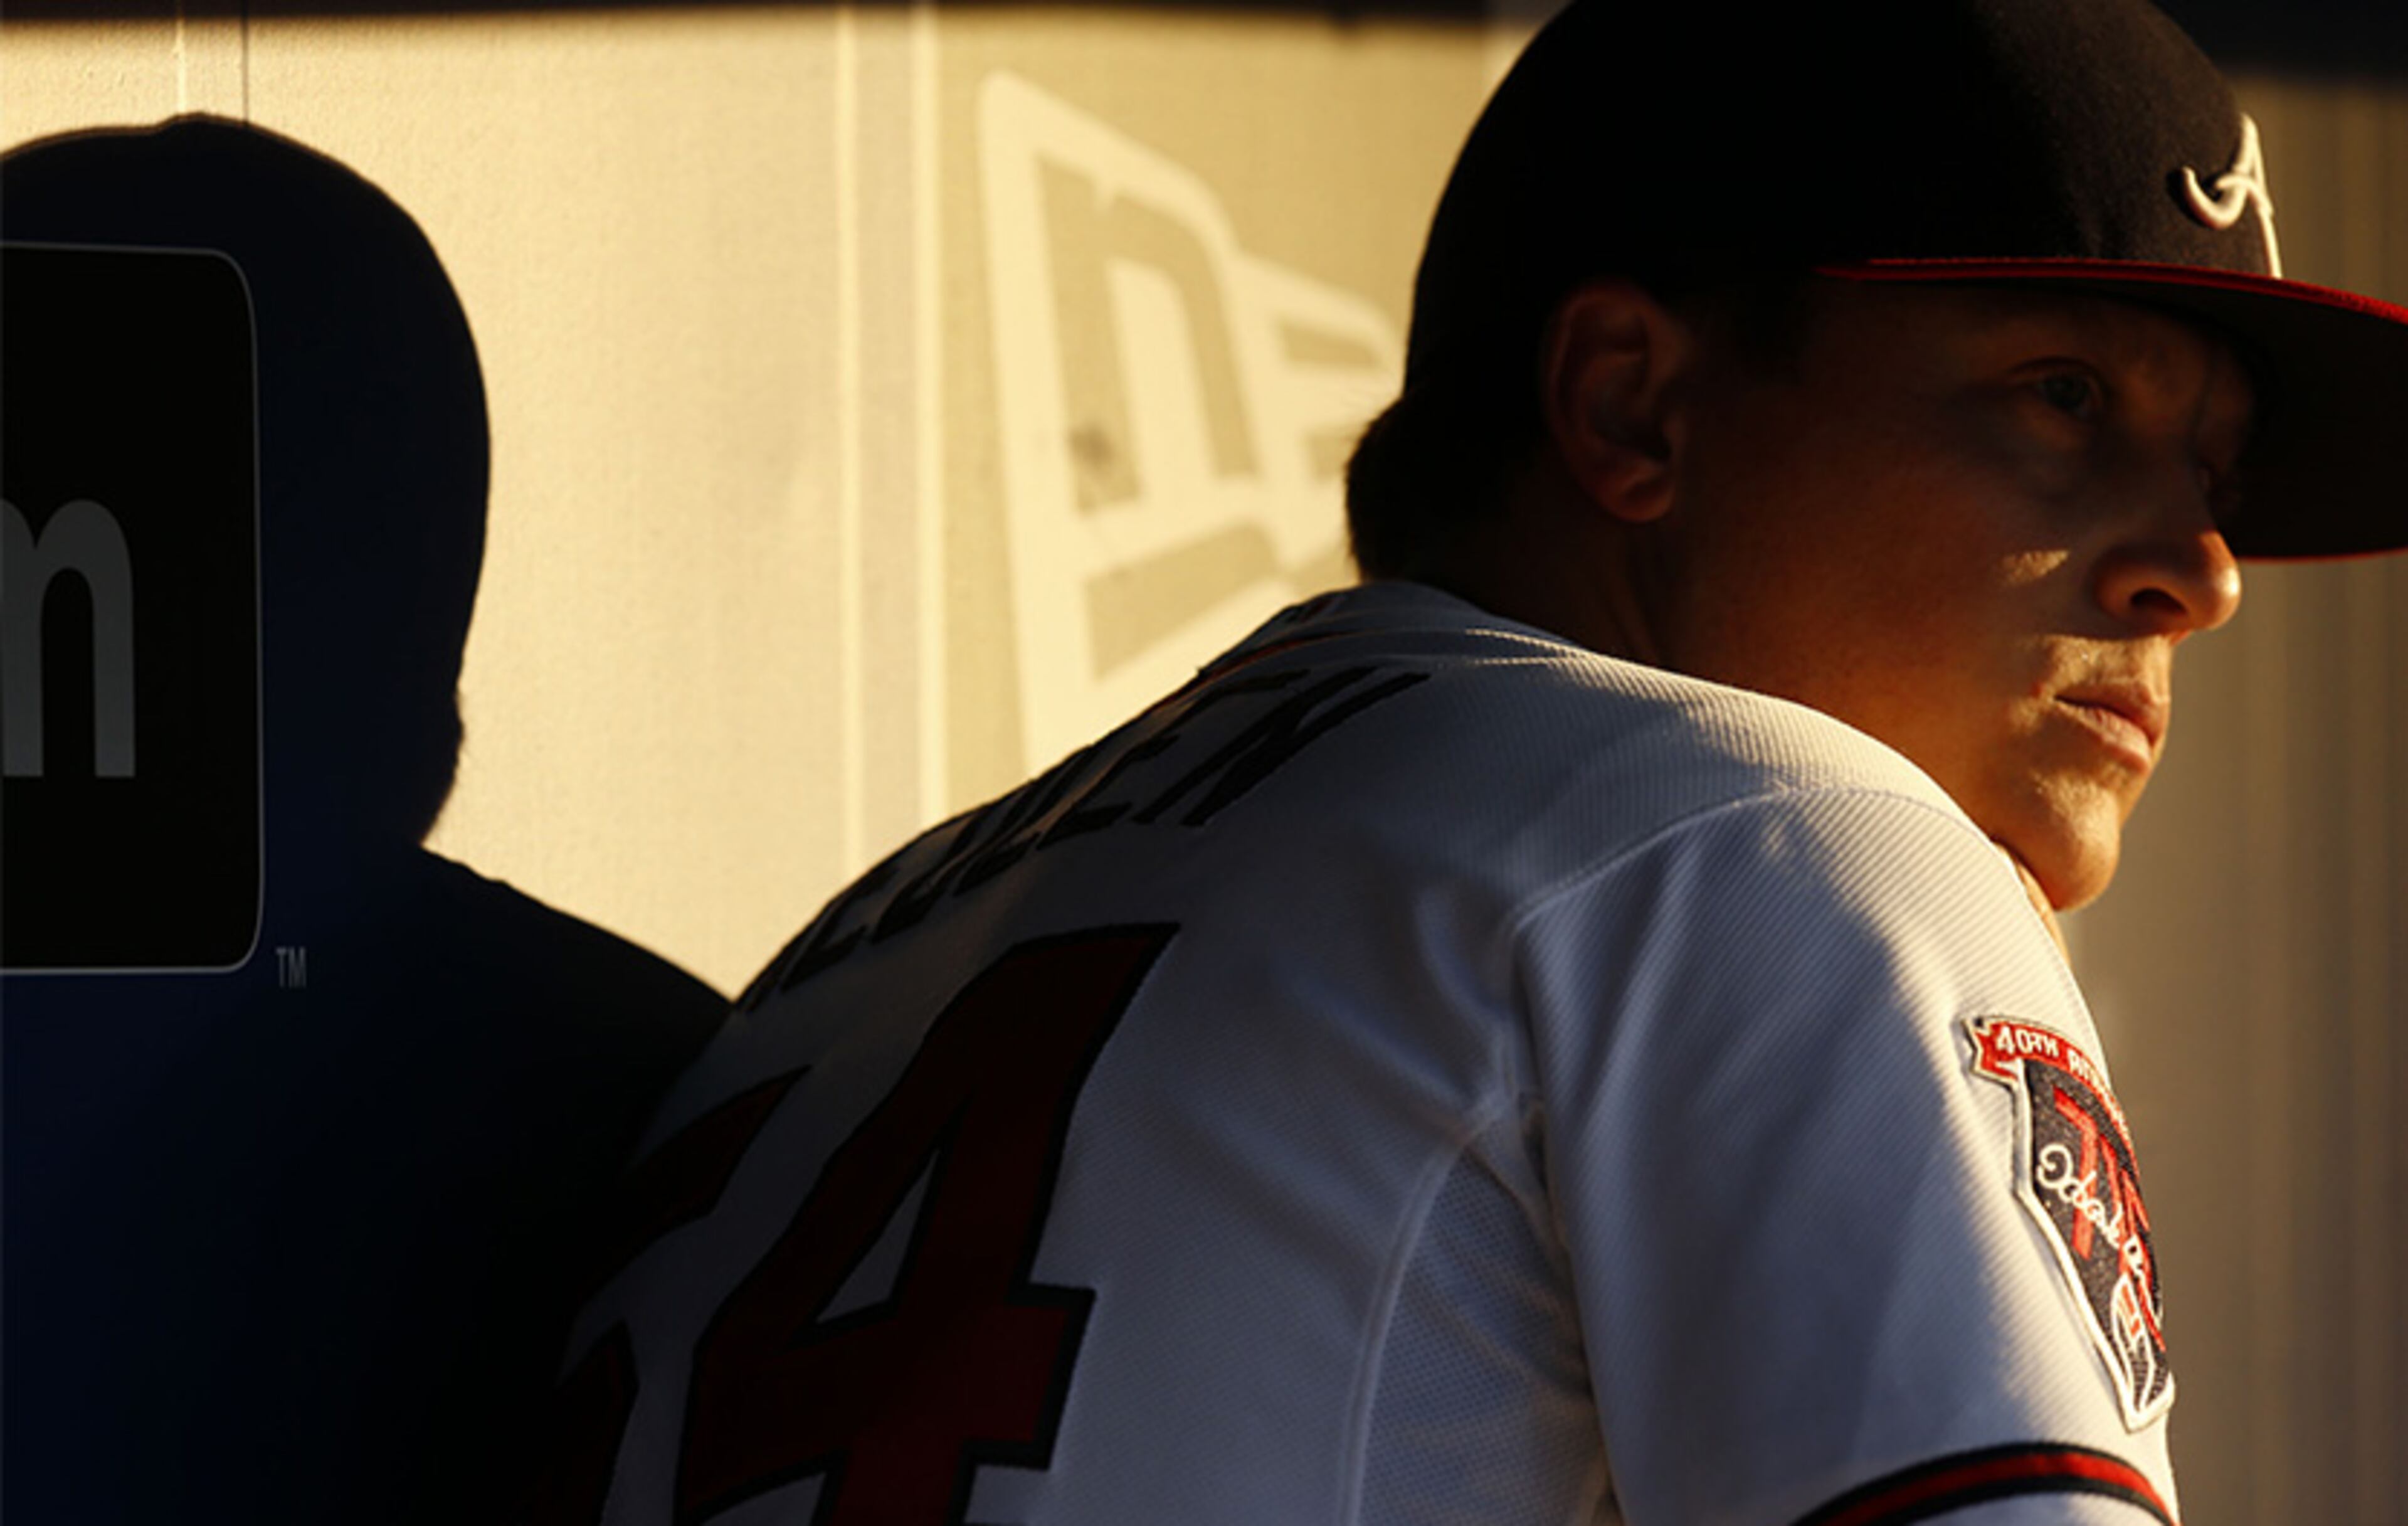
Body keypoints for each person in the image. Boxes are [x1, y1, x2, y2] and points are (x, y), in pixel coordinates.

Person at [531, 2, 2407, 1522]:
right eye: (2063, 397)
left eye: (2215, 474)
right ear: (1629, 403)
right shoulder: (1783, 840)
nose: (2206, 573)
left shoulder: (850, 957)